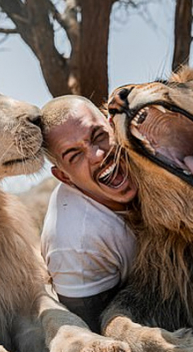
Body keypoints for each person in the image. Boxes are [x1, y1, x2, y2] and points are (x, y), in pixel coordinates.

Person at [40, 95, 137, 333]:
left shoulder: (144, 151)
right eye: (75, 155)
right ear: (64, 177)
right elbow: (96, 332)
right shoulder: (75, 243)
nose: (97, 155)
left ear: (112, 126)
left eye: (98, 136)